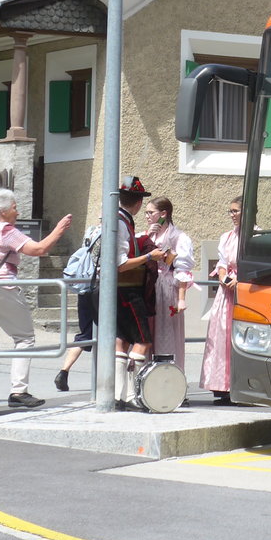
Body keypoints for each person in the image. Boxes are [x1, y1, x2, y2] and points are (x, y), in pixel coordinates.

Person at [0, 189, 72, 416]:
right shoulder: (5, 230)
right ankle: (18, 391)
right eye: (14, 207)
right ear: (3, 211)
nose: (17, 212)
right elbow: (39, 249)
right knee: (24, 338)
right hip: (1, 288)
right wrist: (59, 229)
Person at [113, 175, 164, 411]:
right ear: (139, 202)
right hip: (128, 290)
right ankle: (132, 396)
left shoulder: (119, 220)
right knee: (142, 341)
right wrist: (149, 256)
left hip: (118, 291)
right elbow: (121, 264)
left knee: (122, 341)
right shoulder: (122, 223)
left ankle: (118, 395)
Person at [143, 197, 195, 372]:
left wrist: (181, 299)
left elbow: (182, 270)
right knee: (146, 332)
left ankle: (167, 375)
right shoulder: (147, 234)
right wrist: (147, 236)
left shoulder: (178, 237)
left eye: (151, 212)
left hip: (166, 287)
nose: (147, 216)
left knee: (165, 332)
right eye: (146, 212)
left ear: (163, 214)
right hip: (148, 286)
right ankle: (145, 376)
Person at [200, 196, 241, 405]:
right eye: (230, 211)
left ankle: (239, 386)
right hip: (226, 293)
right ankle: (221, 386)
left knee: (238, 338)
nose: (232, 215)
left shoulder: (257, 236)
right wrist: (223, 276)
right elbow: (222, 262)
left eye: (235, 211)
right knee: (221, 337)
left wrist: (239, 279)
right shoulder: (227, 236)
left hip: (243, 291)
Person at [54, 222, 101, 392]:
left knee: (85, 334)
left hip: (84, 286)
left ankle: (63, 371)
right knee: (113, 334)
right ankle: (112, 378)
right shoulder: (110, 232)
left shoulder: (91, 230)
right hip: (99, 288)